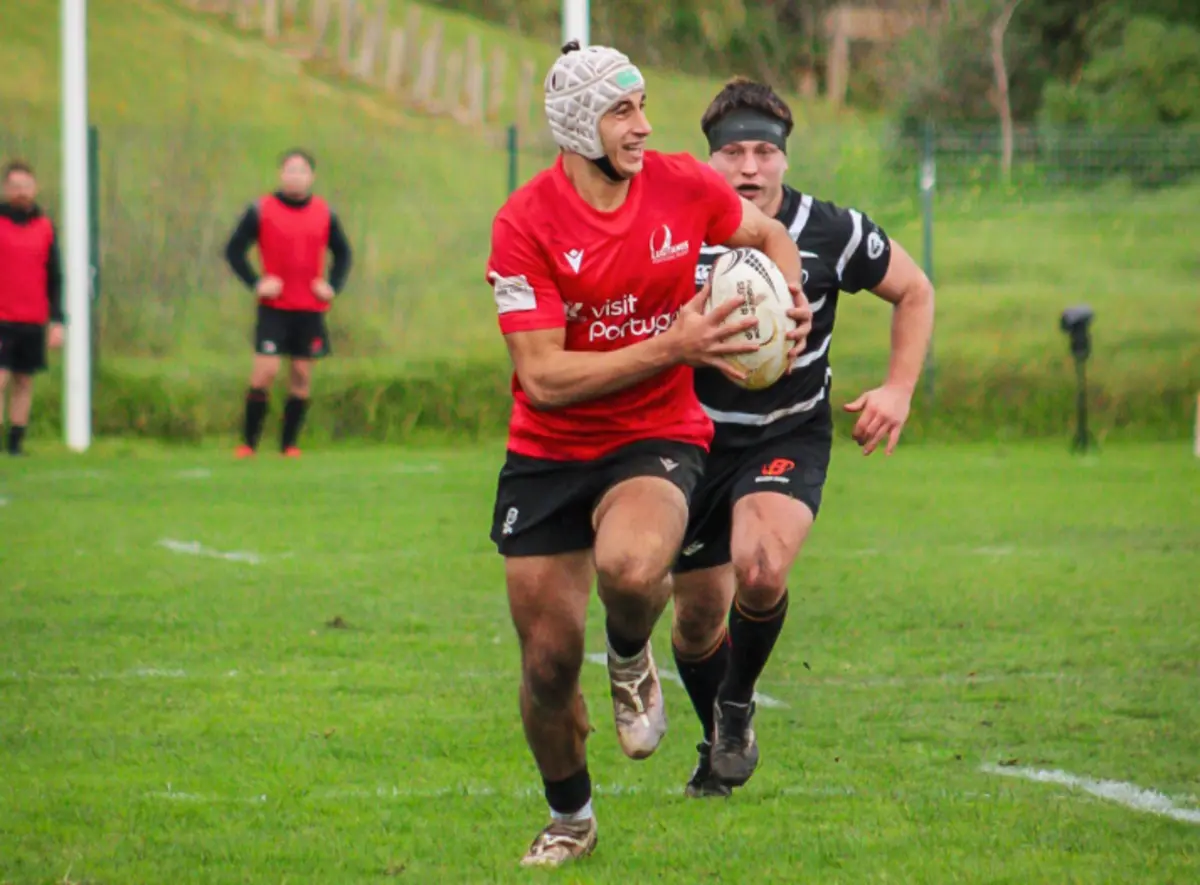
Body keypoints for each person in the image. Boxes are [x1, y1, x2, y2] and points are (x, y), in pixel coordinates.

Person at [486, 44, 812, 867]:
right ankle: (572, 816)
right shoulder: (525, 224)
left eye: (642, 106)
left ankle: (630, 653)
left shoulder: (680, 183)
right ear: (576, 124)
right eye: (623, 110)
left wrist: (790, 296)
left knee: (633, 569)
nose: (645, 125)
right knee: (549, 665)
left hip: (654, 435)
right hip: (549, 450)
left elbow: (768, 233)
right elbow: (545, 377)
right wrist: (675, 342)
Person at [670, 77, 936, 797]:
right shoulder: (672, 230)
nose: (750, 167)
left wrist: (898, 387)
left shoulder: (828, 229)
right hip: (687, 445)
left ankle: (735, 701)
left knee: (760, 569)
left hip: (784, 434)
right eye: (734, 153)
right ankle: (721, 738)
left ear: (784, 158)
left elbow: (914, 289)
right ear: (709, 161)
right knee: (695, 622)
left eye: (763, 151)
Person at [224, 149, 352, 458]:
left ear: (311, 177)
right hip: (274, 308)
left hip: (309, 309)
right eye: (290, 170)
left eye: (301, 170)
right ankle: (249, 444)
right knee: (264, 372)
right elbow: (234, 250)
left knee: (301, 376)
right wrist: (257, 283)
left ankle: (288, 446)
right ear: (281, 174)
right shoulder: (261, 209)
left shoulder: (324, 213)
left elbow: (343, 254)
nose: (295, 176)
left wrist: (331, 286)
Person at [0, 160, 64, 457]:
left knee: (24, 381)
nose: (21, 192)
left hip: (32, 318)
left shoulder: (45, 227)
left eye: (25, 186)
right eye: (15, 186)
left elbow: (54, 276)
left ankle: (16, 443)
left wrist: (57, 320)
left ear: (35, 188)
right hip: (2, 316)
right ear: (6, 189)